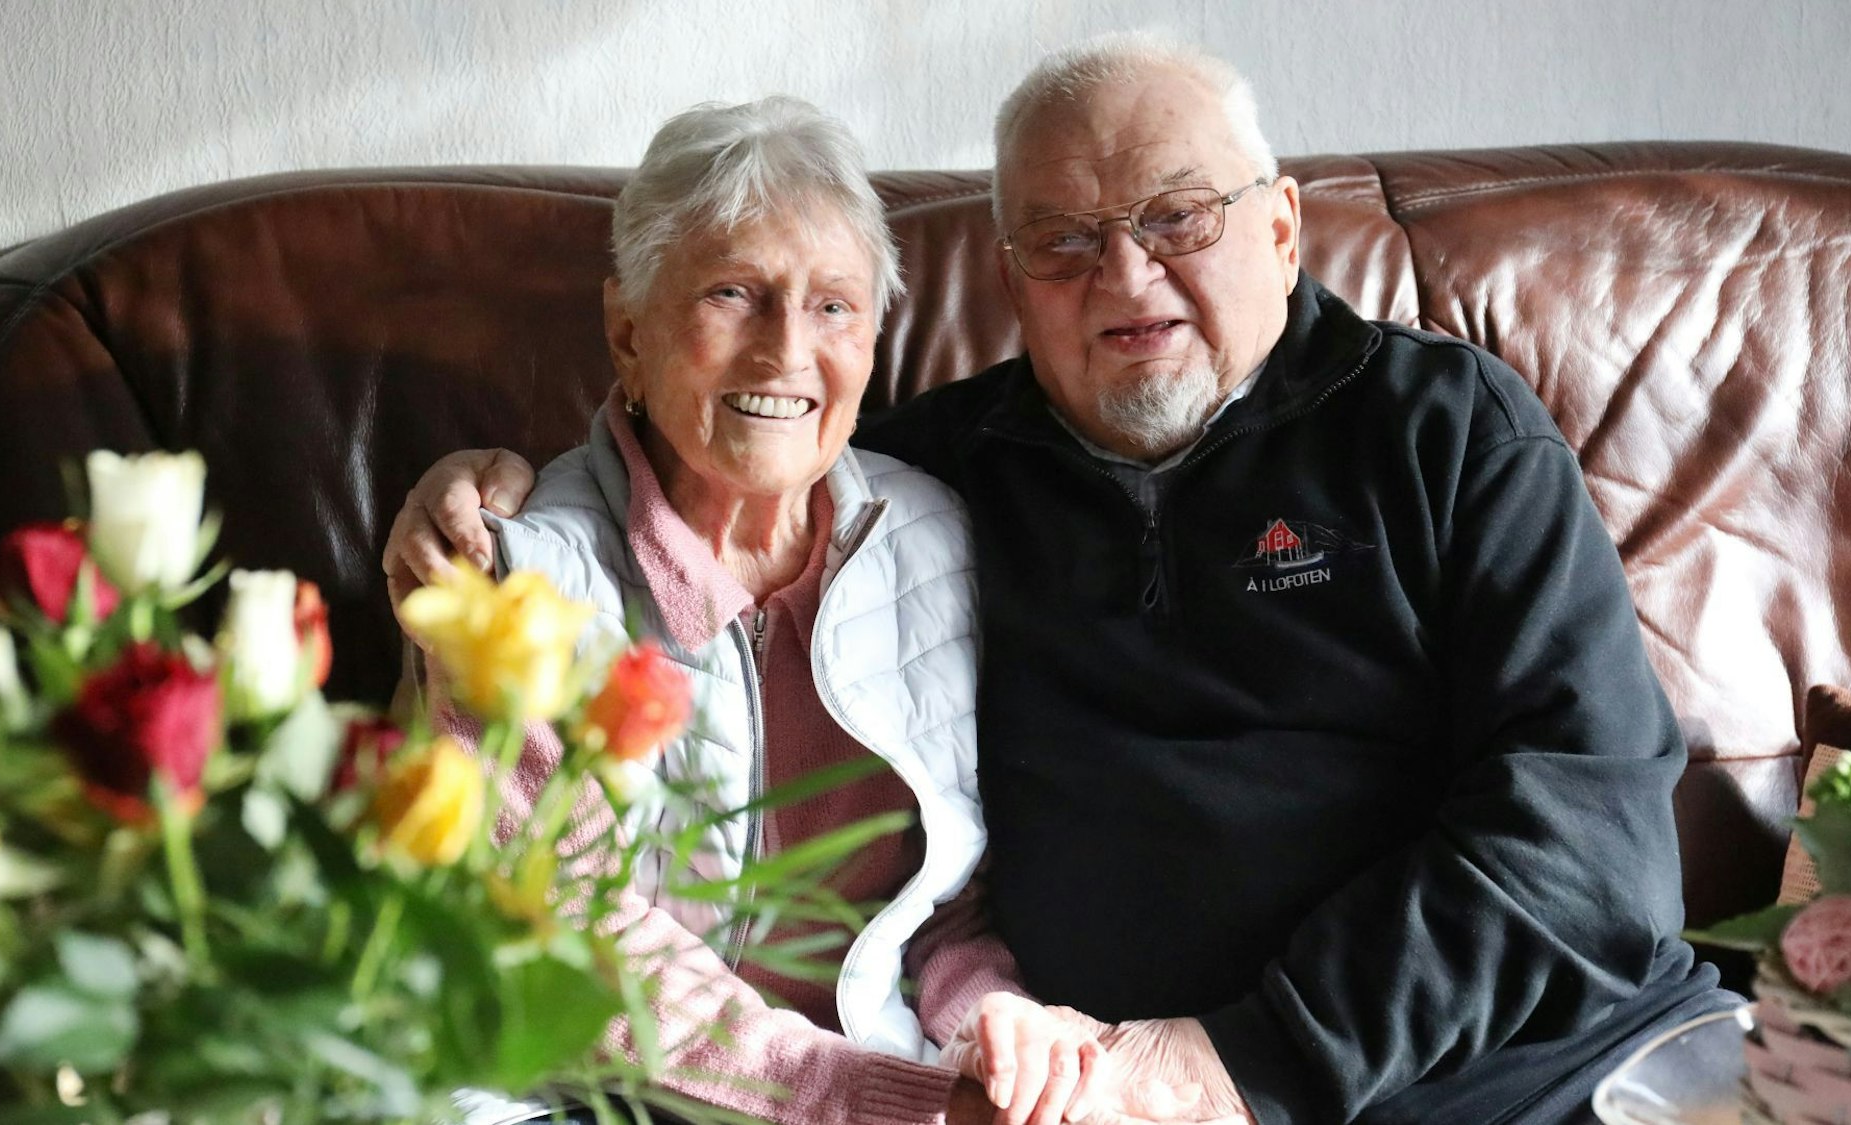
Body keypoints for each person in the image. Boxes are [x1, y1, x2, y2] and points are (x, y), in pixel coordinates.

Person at [388, 35, 1741, 1125]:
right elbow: (740, 449)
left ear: (1280, 231)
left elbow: (1594, 852)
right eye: (1065, 240)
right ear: (1012, 279)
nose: (1127, 275)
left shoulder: (1444, 431)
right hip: (1077, 1094)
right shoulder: (942, 482)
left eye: (1176, 217)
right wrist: (491, 486)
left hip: (1538, 1075)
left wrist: (1232, 1067)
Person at [427, 95, 1162, 1125]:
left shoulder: (933, 540)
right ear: (626, 331)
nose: (785, 351)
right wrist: (876, 1099)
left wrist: (993, 1027)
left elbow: (945, 910)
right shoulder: (517, 582)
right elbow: (567, 945)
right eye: (733, 293)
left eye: (832, 306)